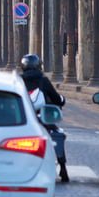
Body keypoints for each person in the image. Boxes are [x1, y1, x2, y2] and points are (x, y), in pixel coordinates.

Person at [18, 54, 68, 182]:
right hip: (42, 118)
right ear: (38, 66)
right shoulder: (43, 80)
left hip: (23, 118)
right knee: (56, 134)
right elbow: (57, 99)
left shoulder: (18, 81)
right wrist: (62, 100)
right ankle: (63, 167)